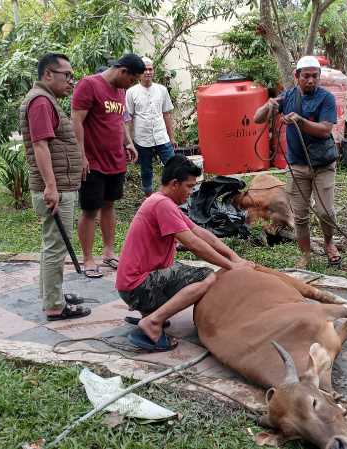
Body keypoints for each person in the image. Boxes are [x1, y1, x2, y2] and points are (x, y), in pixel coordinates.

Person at [116, 155, 254, 351]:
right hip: (137, 286)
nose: (191, 192)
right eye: (189, 186)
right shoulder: (161, 205)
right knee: (206, 277)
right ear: (174, 184)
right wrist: (230, 267)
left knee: (180, 269)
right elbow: (194, 243)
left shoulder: (162, 202)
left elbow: (201, 232)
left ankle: (150, 312)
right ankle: (152, 321)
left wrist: (235, 257)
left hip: (133, 283)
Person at [19, 53, 90, 321]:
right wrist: (51, 187)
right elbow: (40, 145)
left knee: (54, 245)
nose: (71, 81)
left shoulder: (46, 100)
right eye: (67, 75)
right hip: (56, 188)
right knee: (55, 246)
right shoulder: (40, 102)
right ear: (48, 74)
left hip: (59, 185)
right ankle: (54, 305)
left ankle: (53, 293)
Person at [254, 55, 341, 269]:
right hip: (297, 166)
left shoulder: (326, 98)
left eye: (314, 76)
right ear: (296, 77)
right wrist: (269, 106)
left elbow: (325, 130)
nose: (310, 80)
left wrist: (300, 121)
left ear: (319, 77)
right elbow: (257, 119)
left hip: (323, 164)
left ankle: (329, 244)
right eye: (306, 76)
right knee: (300, 215)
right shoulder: (288, 96)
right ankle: (305, 254)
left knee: (325, 211)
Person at [71, 54, 142, 278]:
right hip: (93, 162)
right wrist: (81, 155)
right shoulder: (89, 85)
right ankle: (88, 259)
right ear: (123, 72)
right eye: (132, 80)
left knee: (109, 205)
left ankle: (109, 252)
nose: (132, 85)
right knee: (90, 210)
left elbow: (119, 121)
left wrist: (128, 143)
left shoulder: (120, 90)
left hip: (115, 160)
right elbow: (77, 121)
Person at [125, 57, 176, 197]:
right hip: (142, 138)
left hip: (161, 136)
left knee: (173, 165)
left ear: (154, 71)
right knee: (146, 170)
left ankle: (172, 195)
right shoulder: (131, 92)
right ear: (139, 73)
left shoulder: (162, 90)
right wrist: (129, 142)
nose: (148, 72)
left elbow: (167, 114)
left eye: (150, 69)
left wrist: (171, 137)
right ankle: (149, 198)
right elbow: (128, 119)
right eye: (145, 69)